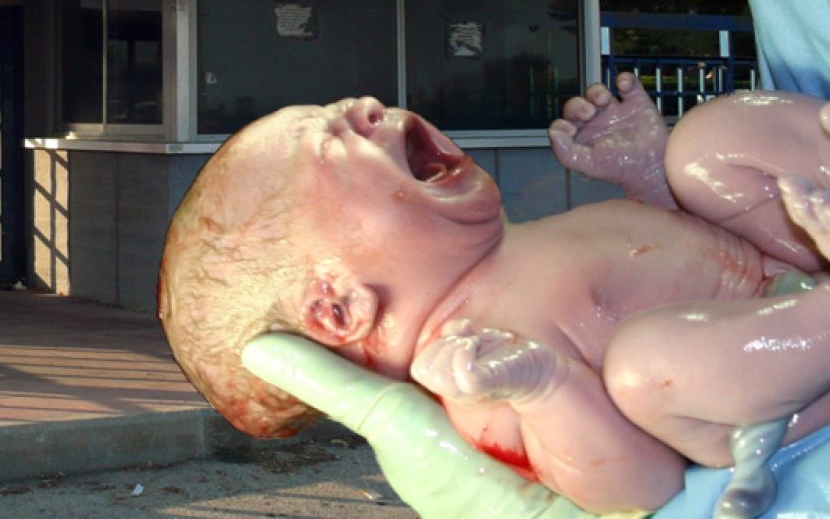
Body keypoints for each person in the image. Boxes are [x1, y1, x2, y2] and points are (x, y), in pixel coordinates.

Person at [158, 74, 830, 514]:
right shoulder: (481, 374)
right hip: (773, 395)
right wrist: (546, 386)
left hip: (785, 268)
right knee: (645, 365)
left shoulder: (521, 246)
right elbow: (640, 489)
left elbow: (688, 249)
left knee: (707, 145)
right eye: (336, 141)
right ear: (339, 308)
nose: (366, 106)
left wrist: (648, 174)